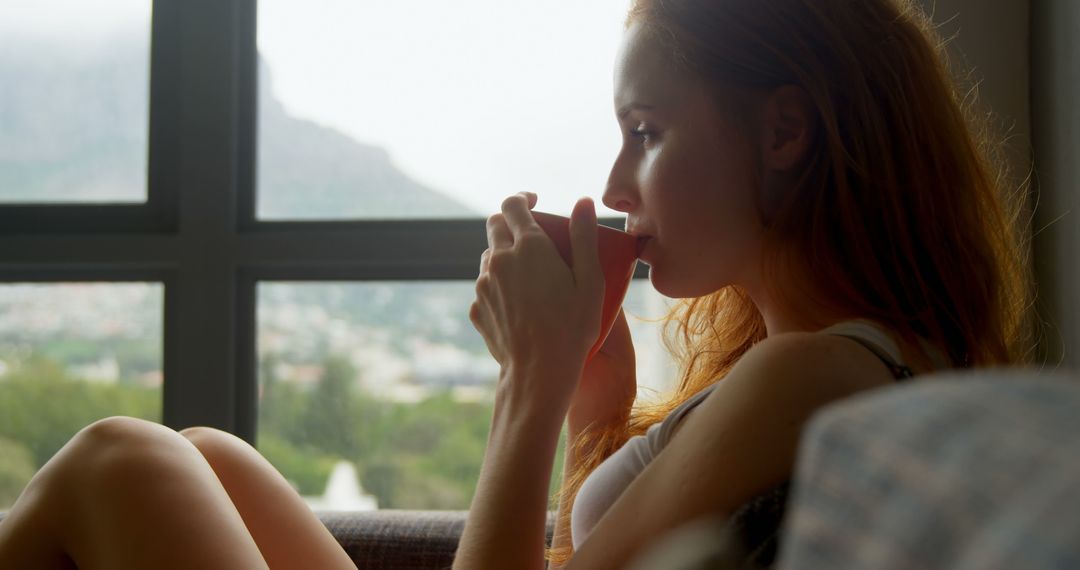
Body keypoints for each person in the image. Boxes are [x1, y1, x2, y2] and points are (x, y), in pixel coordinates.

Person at [0, 0, 1031, 568]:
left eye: (647, 132)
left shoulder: (810, 375)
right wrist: (595, 410)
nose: (619, 182)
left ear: (784, 130)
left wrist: (527, 384)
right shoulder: (820, 365)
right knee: (208, 456)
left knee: (123, 460)